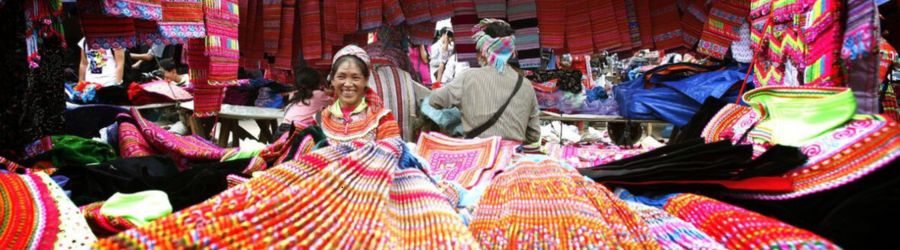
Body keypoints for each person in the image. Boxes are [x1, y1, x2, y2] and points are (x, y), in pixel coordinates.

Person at [429, 19, 541, 144]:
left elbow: (434, 100)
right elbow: (534, 135)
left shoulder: (468, 77)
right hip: (511, 157)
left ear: (483, 52)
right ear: (510, 52)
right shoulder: (526, 85)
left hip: (477, 156)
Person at [316, 45, 401, 144]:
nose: (348, 84)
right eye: (341, 77)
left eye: (355, 77)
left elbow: (393, 154)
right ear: (333, 80)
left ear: (366, 81)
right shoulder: (320, 119)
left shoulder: (382, 119)